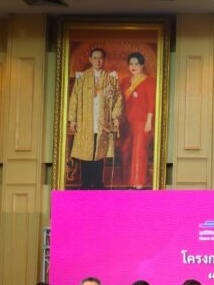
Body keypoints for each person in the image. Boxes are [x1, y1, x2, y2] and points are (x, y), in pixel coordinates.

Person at [66, 46, 122, 189]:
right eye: (95, 58)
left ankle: (98, 183)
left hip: (102, 122)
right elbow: (74, 99)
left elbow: (118, 99)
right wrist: (72, 119)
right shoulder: (82, 78)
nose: (98, 61)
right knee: (86, 152)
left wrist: (115, 117)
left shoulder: (110, 78)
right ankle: (85, 183)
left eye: (100, 58)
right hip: (85, 121)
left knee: (99, 153)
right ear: (90, 60)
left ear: (104, 60)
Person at [119, 51, 155, 189]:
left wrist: (149, 121)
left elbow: (151, 102)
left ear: (142, 65)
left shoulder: (149, 81)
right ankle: (129, 180)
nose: (133, 66)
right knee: (126, 150)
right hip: (127, 122)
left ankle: (138, 182)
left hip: (142, 122)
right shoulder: (125, 82)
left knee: (139, 151)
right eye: (131, 64)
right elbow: (121, 103)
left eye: (136, 64)